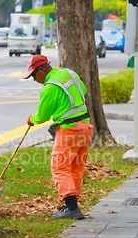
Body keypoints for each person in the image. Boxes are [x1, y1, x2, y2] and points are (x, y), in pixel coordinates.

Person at [24, 55, 93, 220]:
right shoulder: (70, 73)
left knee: (59, 168)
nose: (34, 79)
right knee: (75, 168)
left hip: (69, 130)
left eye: (34, 75)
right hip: (85, 127)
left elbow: (42, 116)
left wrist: (31, 119)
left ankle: (72, 208)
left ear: (41, 69)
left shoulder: (49, 88)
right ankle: (73, 205)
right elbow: (82, 90)